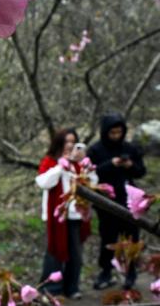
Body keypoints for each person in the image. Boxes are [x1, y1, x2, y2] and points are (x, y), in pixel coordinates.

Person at [36, 128, 95, 300]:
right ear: (59, 143)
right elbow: (43, 182)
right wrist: (60, 167)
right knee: (55, 250)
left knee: (75, 252)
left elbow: (93, 184)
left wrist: (86, 166)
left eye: (73, 141)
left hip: (76, 215)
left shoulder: (80, 163)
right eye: (66, 141)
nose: (69, 145)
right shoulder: (50, 161)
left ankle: (72, 286)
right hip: (57, 216)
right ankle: (51, 288)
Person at [88, 113, 146, 290]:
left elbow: (141, 171)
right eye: (112, 132)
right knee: (108, 237)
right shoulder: (96, 150)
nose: (116, 136)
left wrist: (130, 166)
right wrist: (110, 164)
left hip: (129, 199)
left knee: (131, 237)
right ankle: (106, 271)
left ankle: (130, 272)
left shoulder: (129, 148)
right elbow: (91, 172)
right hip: (106, 201)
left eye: (119, 132)